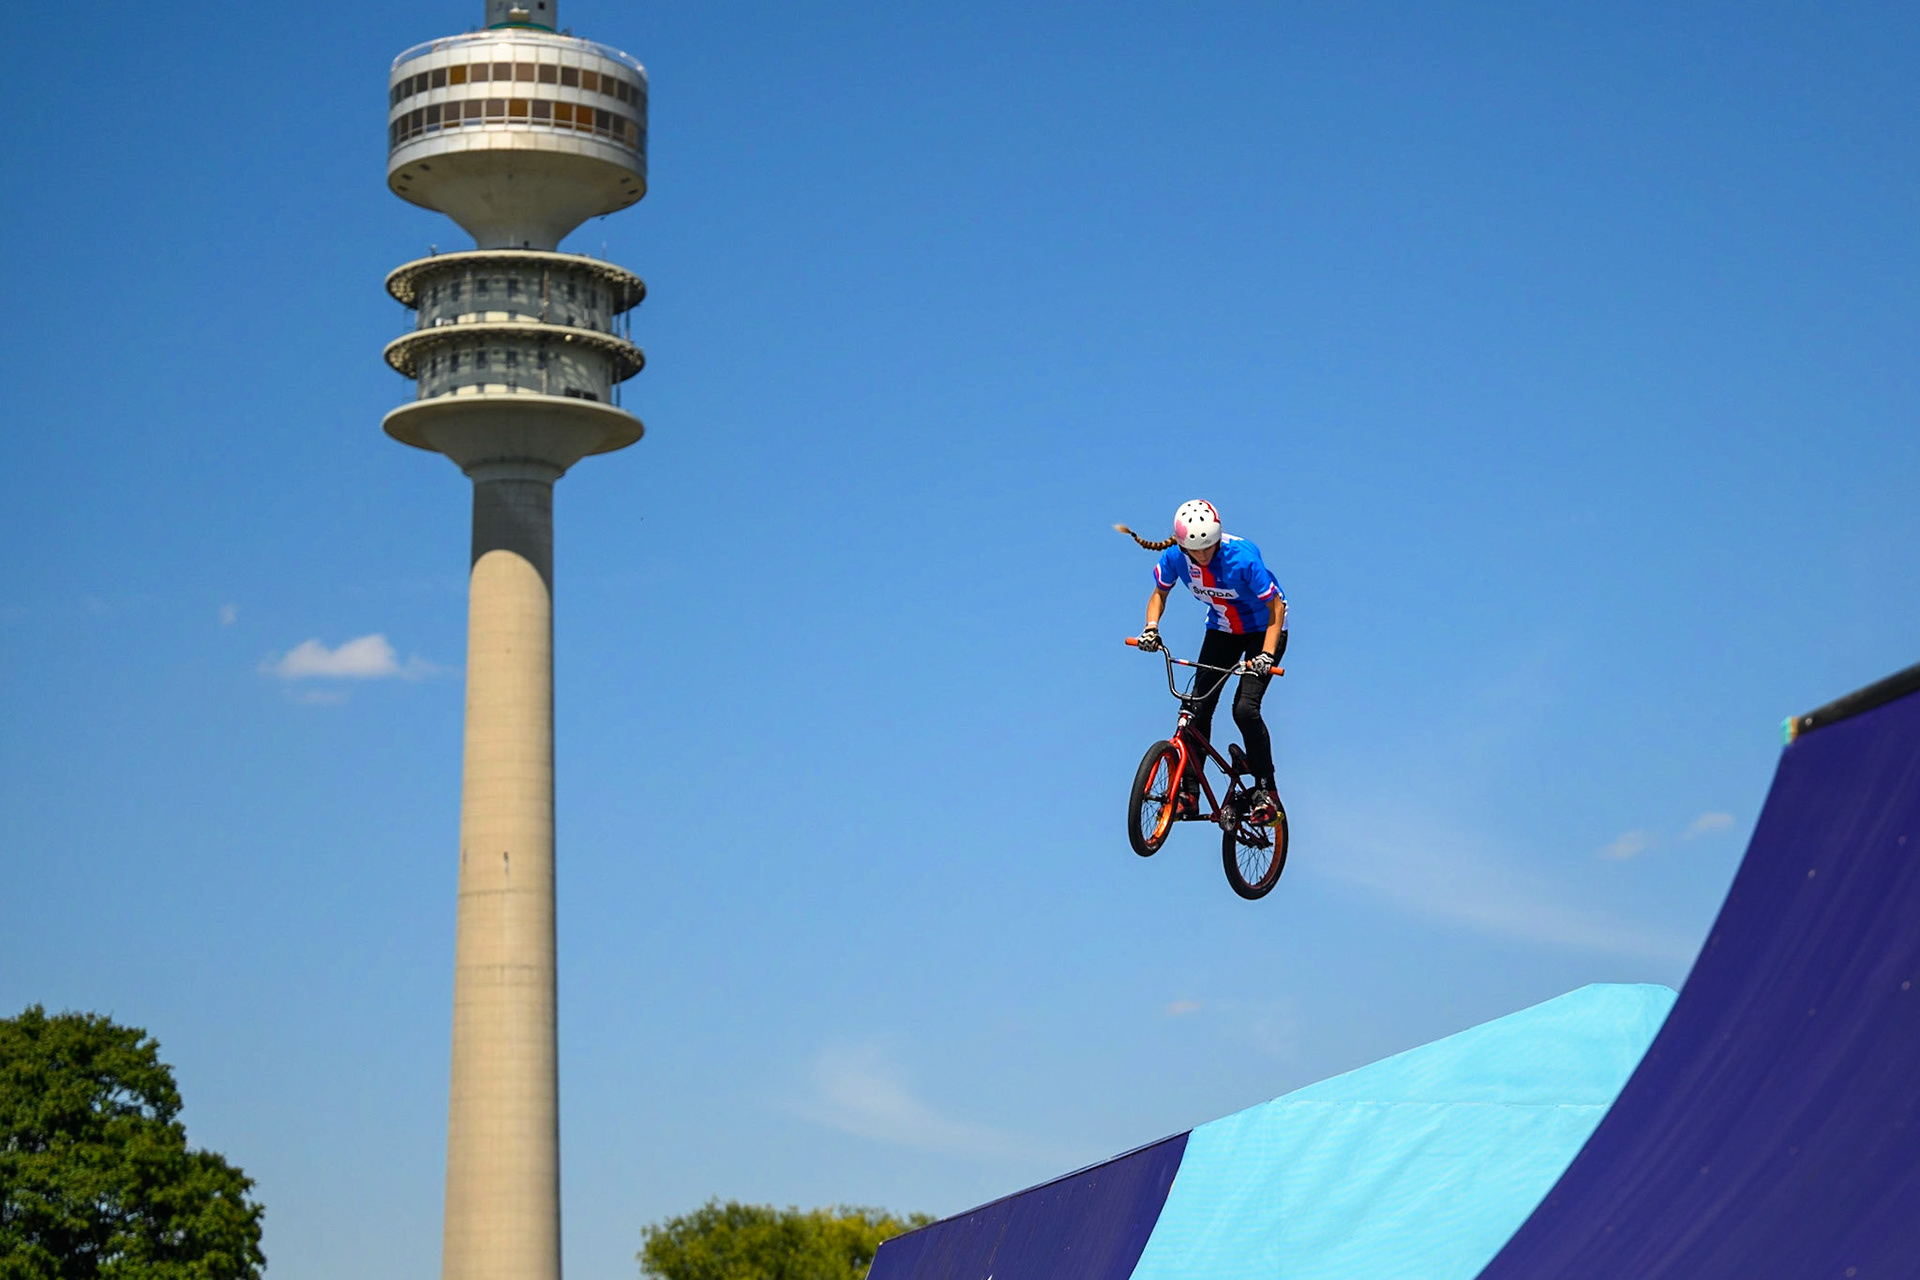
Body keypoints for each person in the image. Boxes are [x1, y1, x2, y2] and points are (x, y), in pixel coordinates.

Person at [1118, 500, 1287, 820]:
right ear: (1183, 546)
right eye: (1197, 550)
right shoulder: (1174, 559)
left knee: (1244, 709)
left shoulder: (1242, 558)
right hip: (1222, 630)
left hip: (1265, 630)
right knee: (1196, 709)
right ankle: (1188, 793)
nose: (1205, 555)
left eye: (1210, 546)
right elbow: (1159, 594)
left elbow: (1275, 607)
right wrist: (1151, 629)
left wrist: (1265, 655)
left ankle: (1267, 791)